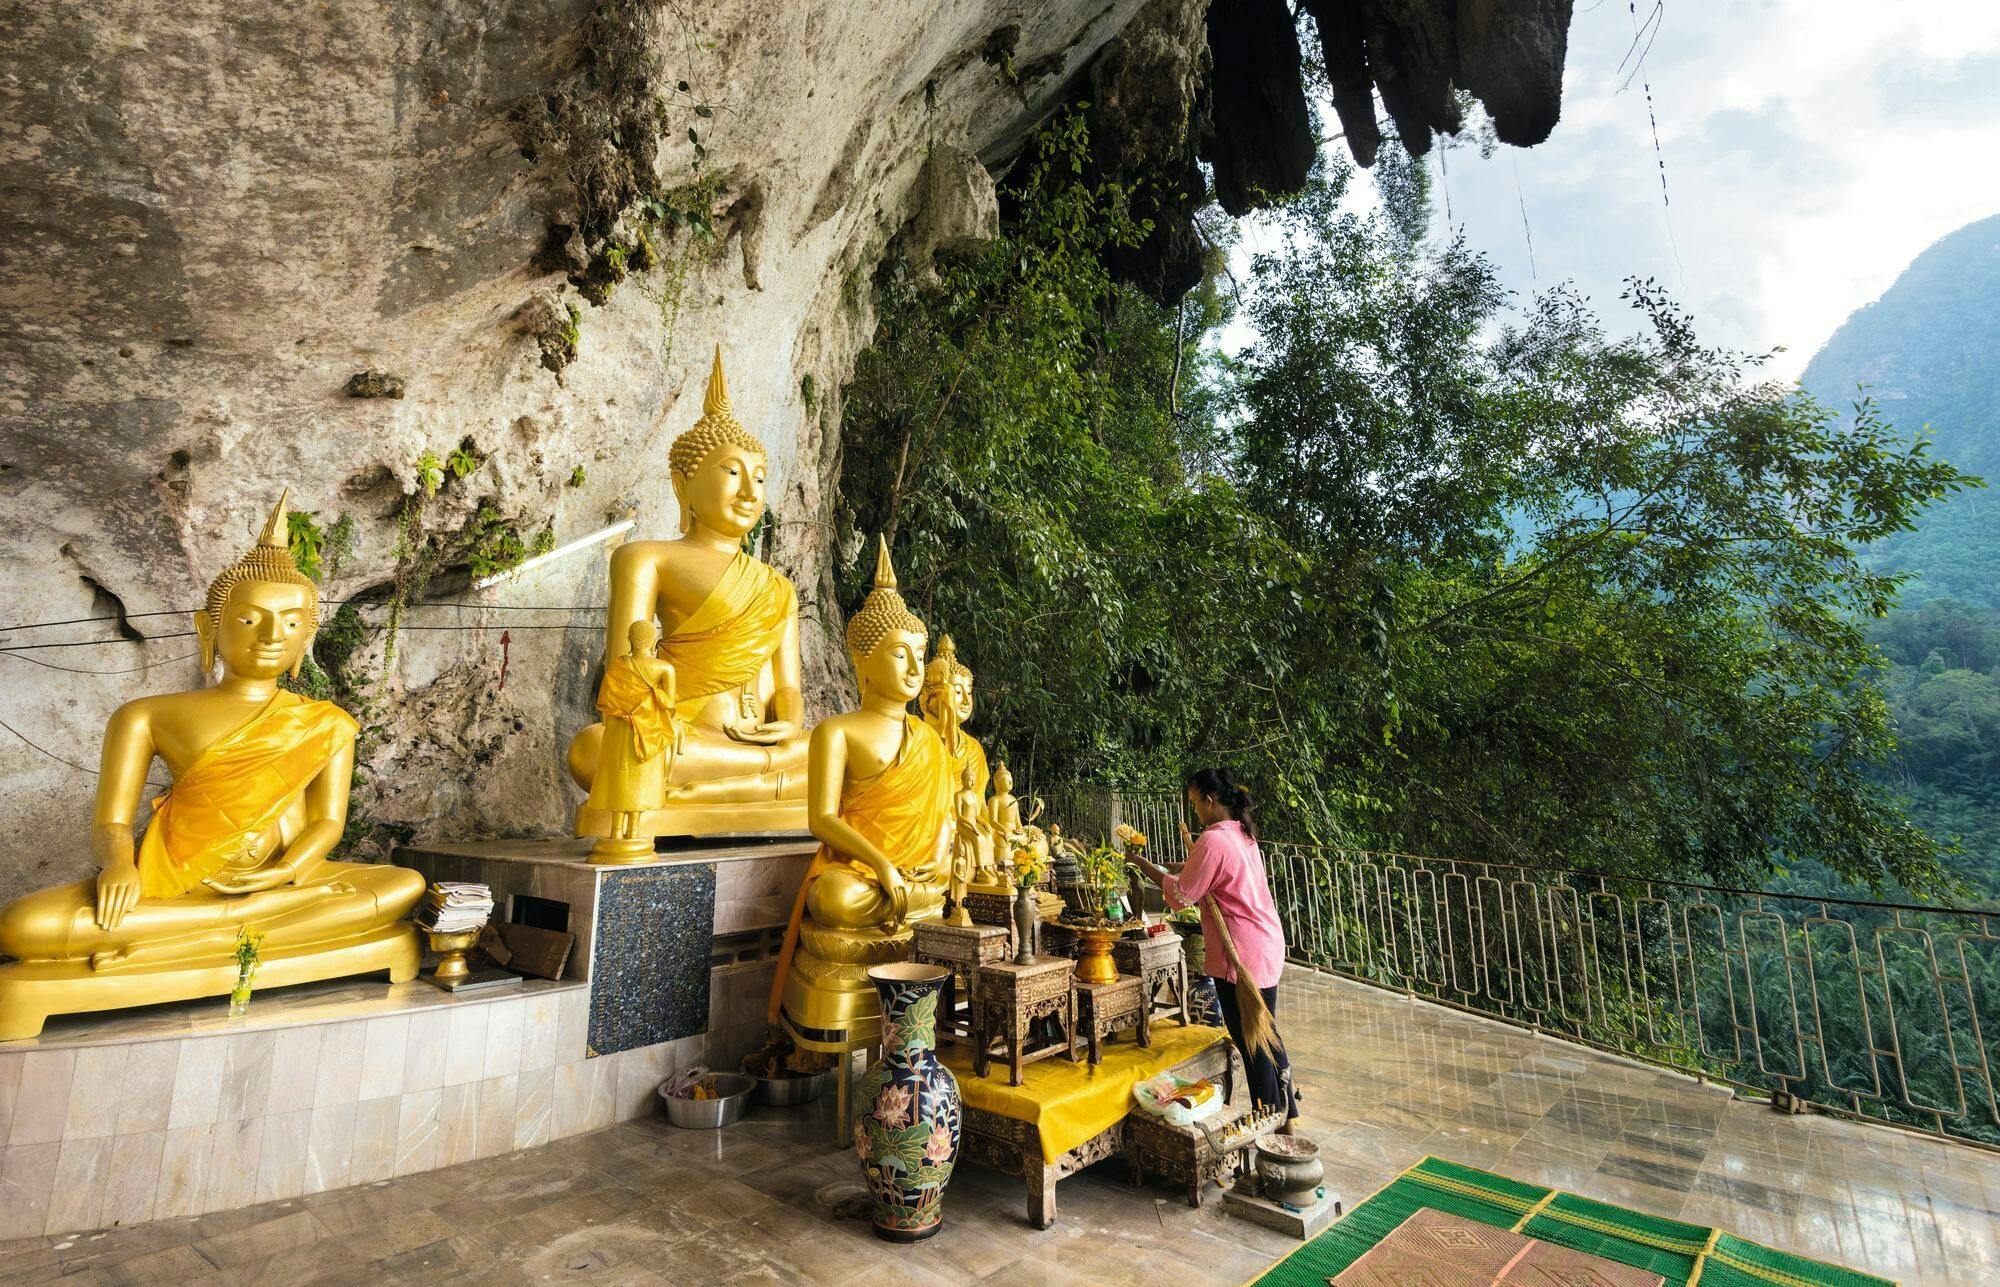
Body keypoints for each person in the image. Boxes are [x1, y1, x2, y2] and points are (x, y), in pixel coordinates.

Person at [1131, 768, 1297, 1131]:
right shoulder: (1241, 831)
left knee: (1252, 1042)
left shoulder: (1213, 840)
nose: (1195, 812)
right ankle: (1288, 1117)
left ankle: (1268, 1122)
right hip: (1265, 942)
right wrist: (1174, 867)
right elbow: (1203, 873)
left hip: (1241, 954)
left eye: (1195, 804)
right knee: (1266, 1030)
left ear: (1210, 800)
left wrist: (1144, 866)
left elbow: (1180, 895)